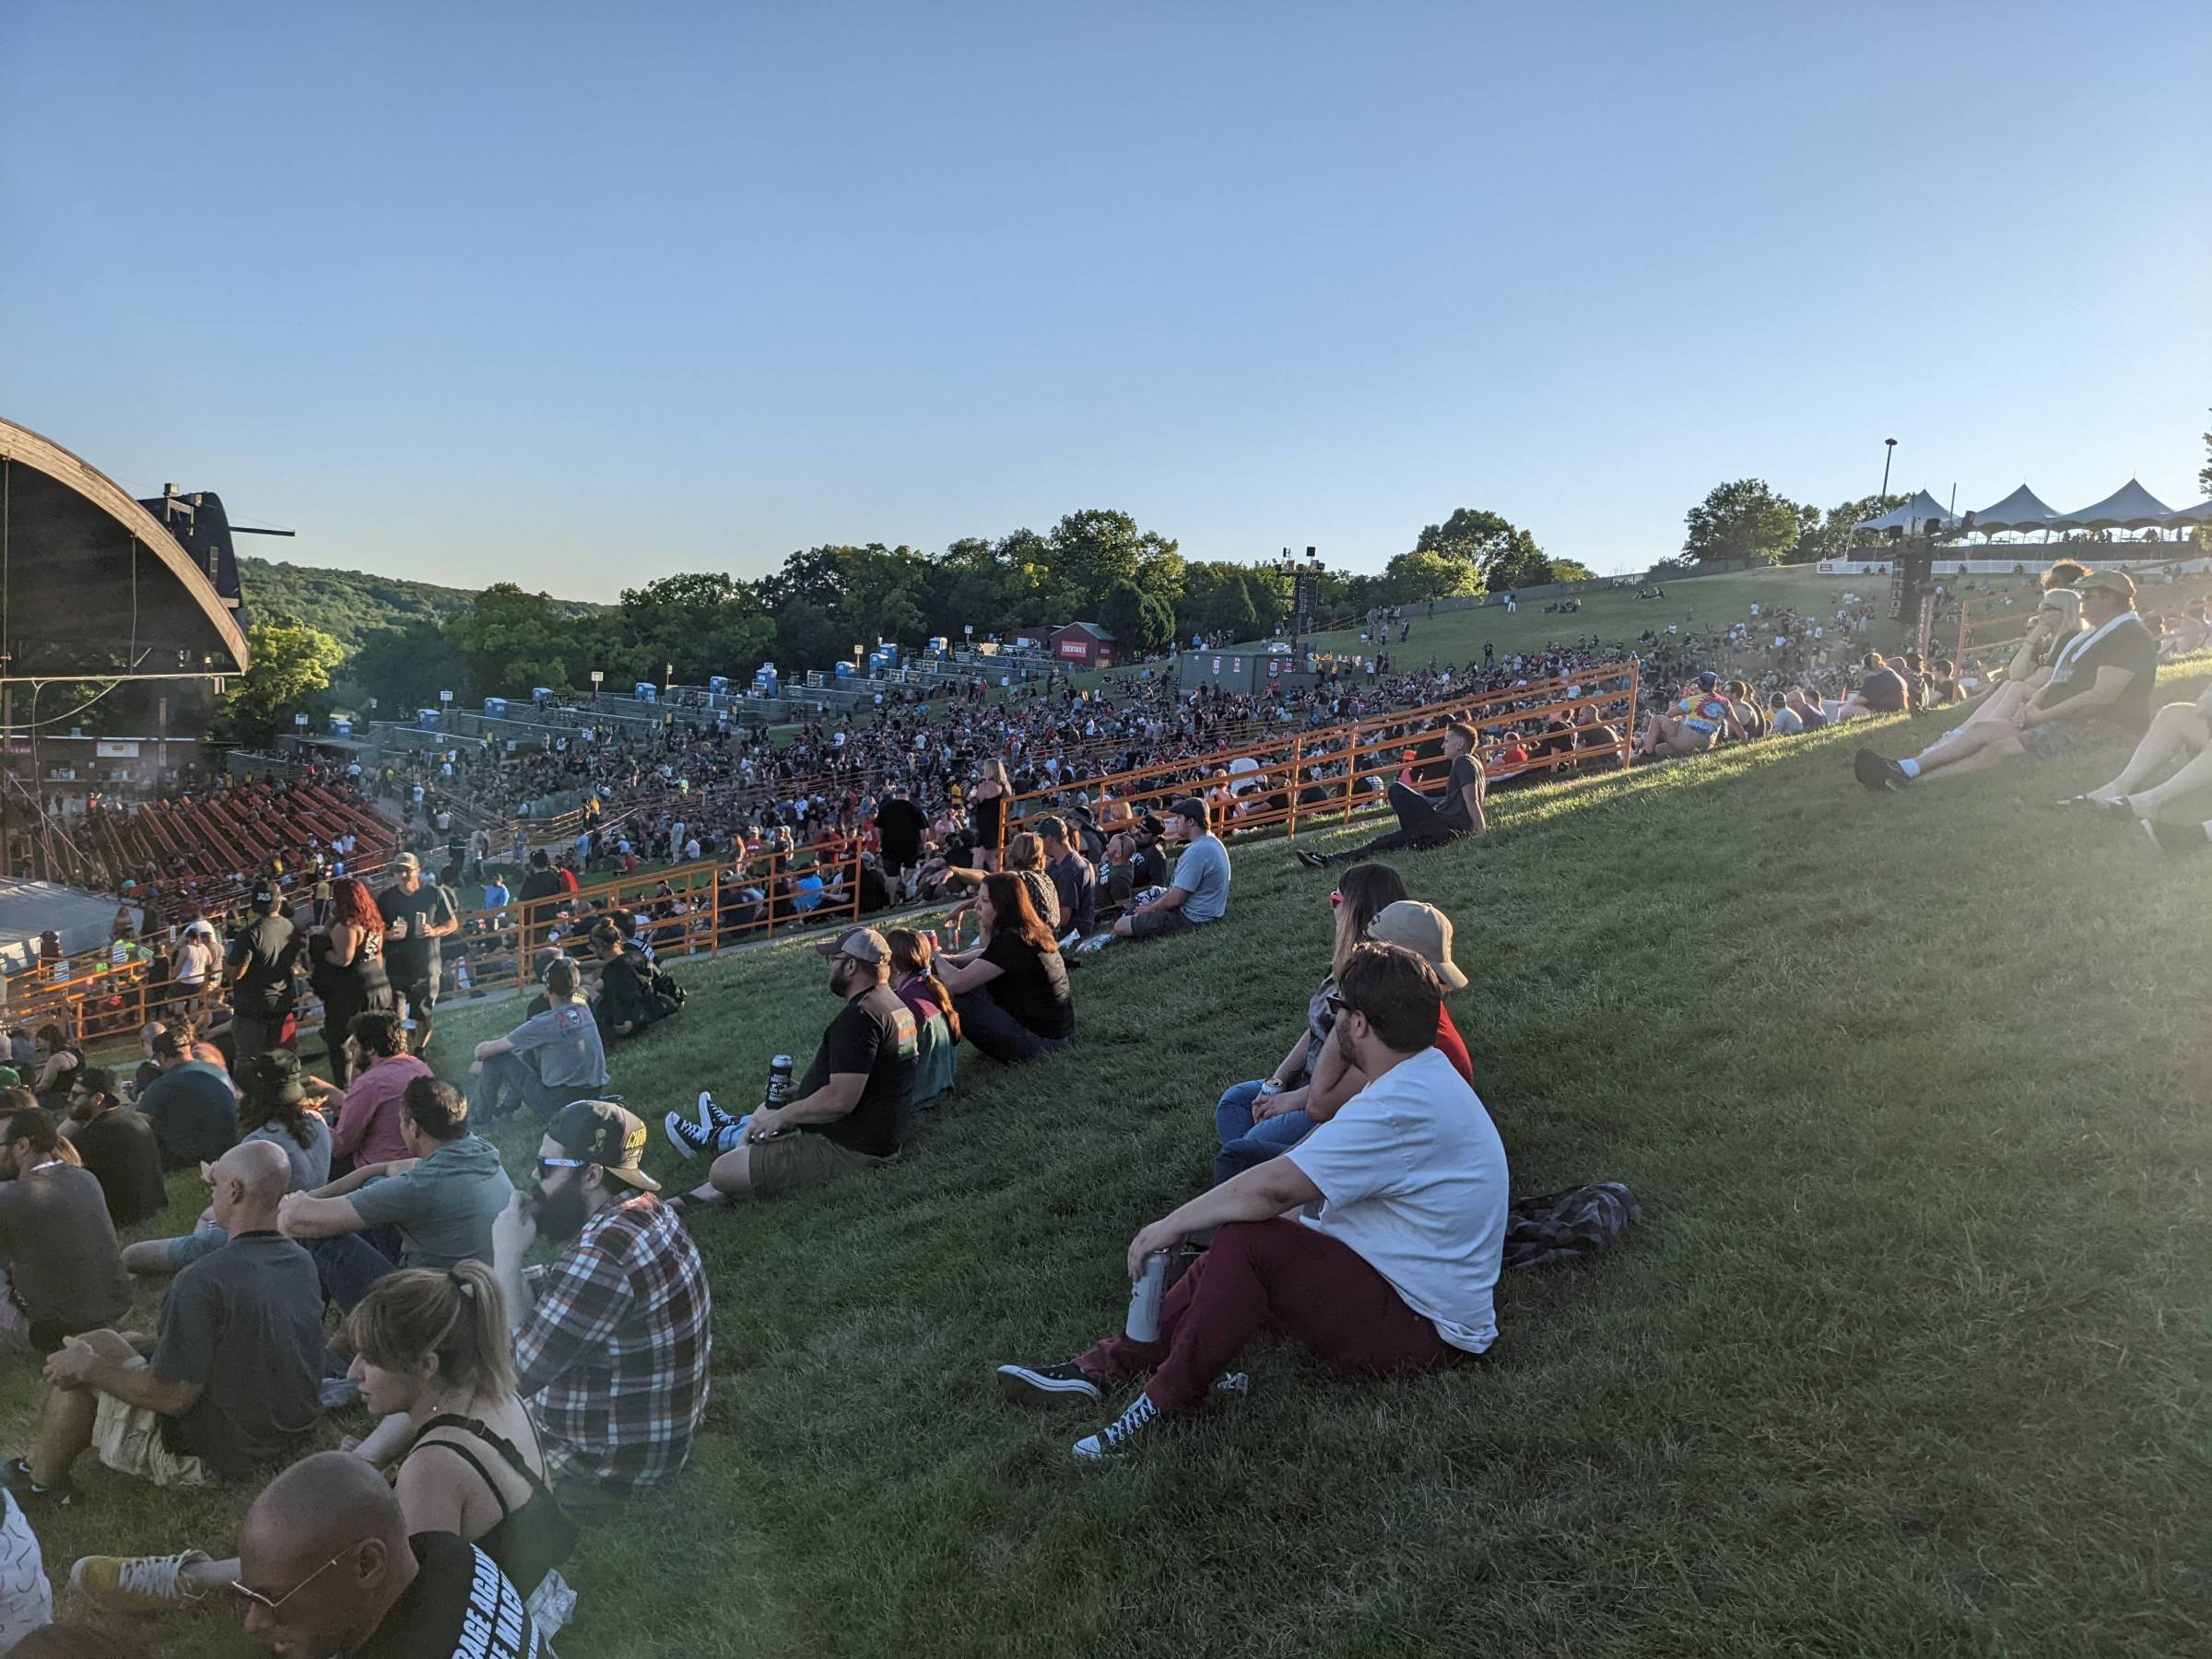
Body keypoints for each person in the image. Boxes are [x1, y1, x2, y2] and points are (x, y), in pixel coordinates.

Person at [995, 945, 1508, 1461]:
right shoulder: (1417, 1075)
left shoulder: (1397, 1106)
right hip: (1402, 1287)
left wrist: (1169, 1226)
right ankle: (1109, 1364)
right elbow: (1295, 1179)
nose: (1330, 1024)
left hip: (1426, 1329)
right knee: (1239, 1236)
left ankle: (1170, 1401)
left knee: (1247, 1239)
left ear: (1358, 1026)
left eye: (1337, 1011)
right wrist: (1204, 1229)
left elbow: (1275, 1189)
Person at [72, 1262, 573, 1629]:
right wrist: (361, 1460)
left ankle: (190, 1580)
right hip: (531, 1580)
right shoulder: (488, 1391)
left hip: (491, 1621)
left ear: (425, 1366)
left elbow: (406, 1607)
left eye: (369, 1360)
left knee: (318, 1556)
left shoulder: (434, 1468)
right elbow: (405, 1427)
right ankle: (196, 1577)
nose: (353, 1373)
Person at [8, 1141, 323, 1502]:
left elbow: (172, 1397)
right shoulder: (299, 1260)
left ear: (234, 1191)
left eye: (214, 1185)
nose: (212, 1192)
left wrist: (90, 1369)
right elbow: (247, 1337)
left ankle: (41, 1483)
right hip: (289, 1433)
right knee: (108, 1339)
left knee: (84, 1357)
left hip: (221, 1457)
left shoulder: (201, 1280)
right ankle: (36, 1465)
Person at [493, 1101, 711, 1504]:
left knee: (461, 1417)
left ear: (592, 1175)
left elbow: (513, 1377)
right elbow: (560, 1284)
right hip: (649, 1441)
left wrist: (506, 1259)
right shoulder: (644, 1213)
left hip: (603, 1467)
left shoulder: (605, 1256)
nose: (532, 1176)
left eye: (545, 1166)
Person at [1856, 570, 2158, 793]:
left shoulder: (2128, 635)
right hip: (2068, 716)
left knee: (1998, 750)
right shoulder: (2096, 634)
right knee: (1981, 730)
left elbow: (2101, 698)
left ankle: (1912, 784)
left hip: (2105, 726)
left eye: (2087, 596)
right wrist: (2035, 704)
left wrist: (2042, 714)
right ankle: (1904, 769)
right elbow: (2059, 681)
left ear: (2109, 598)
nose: (2081, 602)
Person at [670, 930, 921, 1198]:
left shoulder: (860, 1017)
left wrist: (786, 1115)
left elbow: (840, 1101)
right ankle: (698, 1193)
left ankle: (723, 1179)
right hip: (874, 1130)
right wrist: (801, 1092)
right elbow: (874, 1081)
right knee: (766, 1108)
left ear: (850, 966)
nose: (830, 968)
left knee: (721, 1171)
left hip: (853, 1148)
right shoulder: (893, 1004)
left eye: (833, 960)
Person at [229, 1451, 540, 1656]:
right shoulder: (451, 1553)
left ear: (367, 1564)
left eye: (272, 1600)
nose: (253, 1622)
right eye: (249, 1596)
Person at [1210, 862, 1404, 1182]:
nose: (1332, 910)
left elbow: (1363, 1076)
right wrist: (1275, 1084)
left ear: (1357, 909)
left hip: (1334, 1100)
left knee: (1257, 1133)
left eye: (1335, 901)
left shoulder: (1378, 979)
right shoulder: (1342, 964)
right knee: (1235, 1102)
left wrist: (1291, 1100)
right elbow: (1313, 1031)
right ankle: (1255, 1175)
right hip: (1308, 1083)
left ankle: (1257, 1179)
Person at [279, 1078, 515, 1313]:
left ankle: (313, 1323)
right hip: (473, 1291)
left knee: (317, 1233)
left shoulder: (421, 1186)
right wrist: (314, 1196)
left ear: (413, 1127)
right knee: (373, 1183)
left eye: (400, 1122)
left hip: (432, 1310)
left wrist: (295, 1203)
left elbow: (294, 1220)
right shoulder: (478, 1151)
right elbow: (382, 1169)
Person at [0, 1101, 130, 1357]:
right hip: (117, 1309)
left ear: (23, 1146)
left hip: (55, 1332)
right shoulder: (84, 1178)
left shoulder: (12, 1199)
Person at [1296, 724, 1486, 868]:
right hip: (1443, 822)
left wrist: (1481, 833)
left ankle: (1420, 841)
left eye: (1446, 740)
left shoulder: (1463, 763)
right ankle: (1327, 860)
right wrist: (1422, 800)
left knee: (1396, 789)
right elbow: (1456, 799)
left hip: (1446, 827)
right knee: (1383, 842)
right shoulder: (1472, 762)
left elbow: (1472, 800)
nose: (1443, 745)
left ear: (1460, 744)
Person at [934, 876, 1075, 1065]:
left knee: (951, 995)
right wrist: (946, 960)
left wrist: (932, 956)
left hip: (1043, 1044)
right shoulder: (1026, 931)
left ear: (1003, 906)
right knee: (958, 976)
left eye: (984, 901)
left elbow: (956, 983)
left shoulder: (1012, 941)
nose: (977, 907)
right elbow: (985, 956)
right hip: (1061, 1035)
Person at [469, 957, 607, 1122]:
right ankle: (506, 1109)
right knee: (528, 1052)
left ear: (546, 990)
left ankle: (478, 1119)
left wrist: (483, 1048)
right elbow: (582, 991)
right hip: (593, 1094)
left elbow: (481, 1052)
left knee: (497, 1058)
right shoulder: (583, 1007)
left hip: (558, 1105)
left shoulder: (545, 1022)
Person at [316, 1010, 434, 1176]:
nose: (351, 1051)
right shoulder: (419, 1067)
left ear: (370, 1048)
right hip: (422, 1161)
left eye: (354, 1045)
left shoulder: (370, 1083)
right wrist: (343, 1100)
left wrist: (315, 1122)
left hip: (380, 1171)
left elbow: (340, 1146)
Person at [312, 877, 394, 1088]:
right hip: (378, 983)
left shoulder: (347, 925)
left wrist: (323, 951)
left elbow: (343, 958)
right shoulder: (374, 921)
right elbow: (378, 954)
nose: (331, 902)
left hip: (352, 988)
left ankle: (345, 1088)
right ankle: (381, 1078)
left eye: (334, 898)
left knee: (339, 1040)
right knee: (375, 1037)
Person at [58, 1068, 166, 1229]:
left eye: (75, 1095)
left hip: (120, 1218)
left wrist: (63, 1133)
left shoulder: (91, 1139)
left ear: (98, 1099)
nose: (69, 1099)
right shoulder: (133, 1120)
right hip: (154, 1205)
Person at [1113, 797, 1230, 940]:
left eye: (1179, 818)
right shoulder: (1211, 842)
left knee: (1120, 925)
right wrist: (1149, 905)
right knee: (1150, 896)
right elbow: (1174, 890)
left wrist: (1149, 909)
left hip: (1192, 919)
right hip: (1205, 912)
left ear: (1191, 821)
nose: (1176, 822)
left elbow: (1176, 899)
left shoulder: (1197, 852)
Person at [378, 854, 459, 1053]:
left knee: (424, 1013)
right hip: (396, 965)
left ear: (418, 871)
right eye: (398, 871)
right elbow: (373, 929)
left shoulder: (433, 893)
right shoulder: (385, 898)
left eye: (407, 870)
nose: (403, 875)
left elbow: (452, 924)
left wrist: (433, 931)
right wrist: (388, 934)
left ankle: (419, 1051)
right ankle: (401, 1055)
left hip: (426, 965)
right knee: (396, 1017)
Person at [134, 1025, 237, 1170]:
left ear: (162, 1057)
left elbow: (139, 1122)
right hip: (228, 1143)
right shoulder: (214, 1070)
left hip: (191, 1156)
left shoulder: (165, 1084)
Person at [886, 927, 960, 1110]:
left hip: (921, 1097)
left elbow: (901, 1059)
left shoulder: (904, 1004)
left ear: (893, 963)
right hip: (943, 1087)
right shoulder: (931, 989)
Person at [225, 888, 300, 1068]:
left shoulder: (250, 934)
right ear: (278, 902)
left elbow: (236, 973)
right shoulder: (290, 927)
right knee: (279, 1061)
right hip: (282, 1002)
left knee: (249, 1062)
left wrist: (224, 963)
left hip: (252, 1008)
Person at [1631, 671, 1745, 759]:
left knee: (1656, 720)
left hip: (1689, 738)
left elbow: (1669, 714)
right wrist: (1744, 742)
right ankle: (1651, 749)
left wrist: (1676, 722)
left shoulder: (1694, 700)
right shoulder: (1725, 702)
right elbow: (1736, 725)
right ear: (1714, 687)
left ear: (1698, 685)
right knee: (1660, 749)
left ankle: (1647, 753)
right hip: (1706, 744)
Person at [1037, 815, 1098, 939]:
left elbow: (1063, 918)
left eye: (1040, 838)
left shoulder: (1070, 869)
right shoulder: (1057, 864)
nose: (1039, 842)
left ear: (1049, 838)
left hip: (1071, 932)